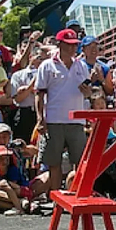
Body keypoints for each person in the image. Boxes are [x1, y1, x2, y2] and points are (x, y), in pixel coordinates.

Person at [35, 29, 91, 192]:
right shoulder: (46, 65)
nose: (73, 49)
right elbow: (40, 93)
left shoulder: (81, 65)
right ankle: (55, 198)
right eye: (69, 45)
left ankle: (74, 193)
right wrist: (40, 118)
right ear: (60, 45)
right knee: (54, 162)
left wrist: (86, 92)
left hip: (77, 120)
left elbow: (88, 95)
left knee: (79, 161)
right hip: (54, 120)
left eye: (75, 45)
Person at [11, 45, 46, 143]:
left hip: (43, 113)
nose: (41, 61)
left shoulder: (48, 74)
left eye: (44, 59)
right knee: (22, 143)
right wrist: (30, 88)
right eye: (39, 58)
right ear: (31, 57)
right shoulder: (18, 75)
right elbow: (18, 99)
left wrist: (27, 89)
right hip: (25, 113)